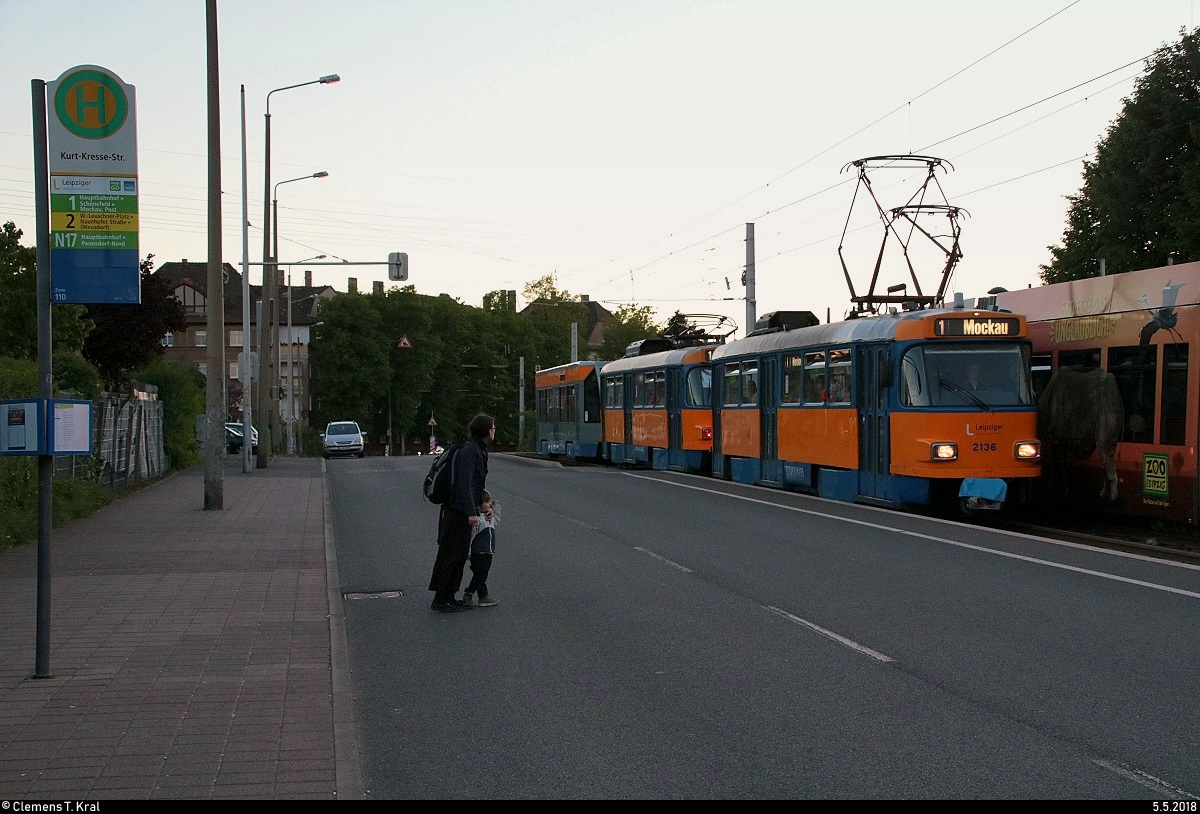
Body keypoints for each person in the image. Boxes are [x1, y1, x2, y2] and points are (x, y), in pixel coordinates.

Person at [428, 413, 495, 613]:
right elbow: (463, 484)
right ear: (485, 430)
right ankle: (440, 599)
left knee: (458, 554)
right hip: (456, 511)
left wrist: (482, 503)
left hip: (461, 509)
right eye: (492, 427)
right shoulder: (469, 451)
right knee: (450, 554)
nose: (494, 431)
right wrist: (470, 512)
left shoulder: (477, 449)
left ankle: (449, 596)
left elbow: (474, 484)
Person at [461, 489, 501, 608]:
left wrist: (496, 507)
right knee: (480, 575)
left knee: (480, 575)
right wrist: (468, 551)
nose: (489, 504)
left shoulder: (489, 518)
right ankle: (483, 596)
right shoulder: (478, 520)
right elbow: (471, 537)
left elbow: (497, 519)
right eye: (486, 502)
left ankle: (469, 593)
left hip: (488, 552)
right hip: (478, 553)